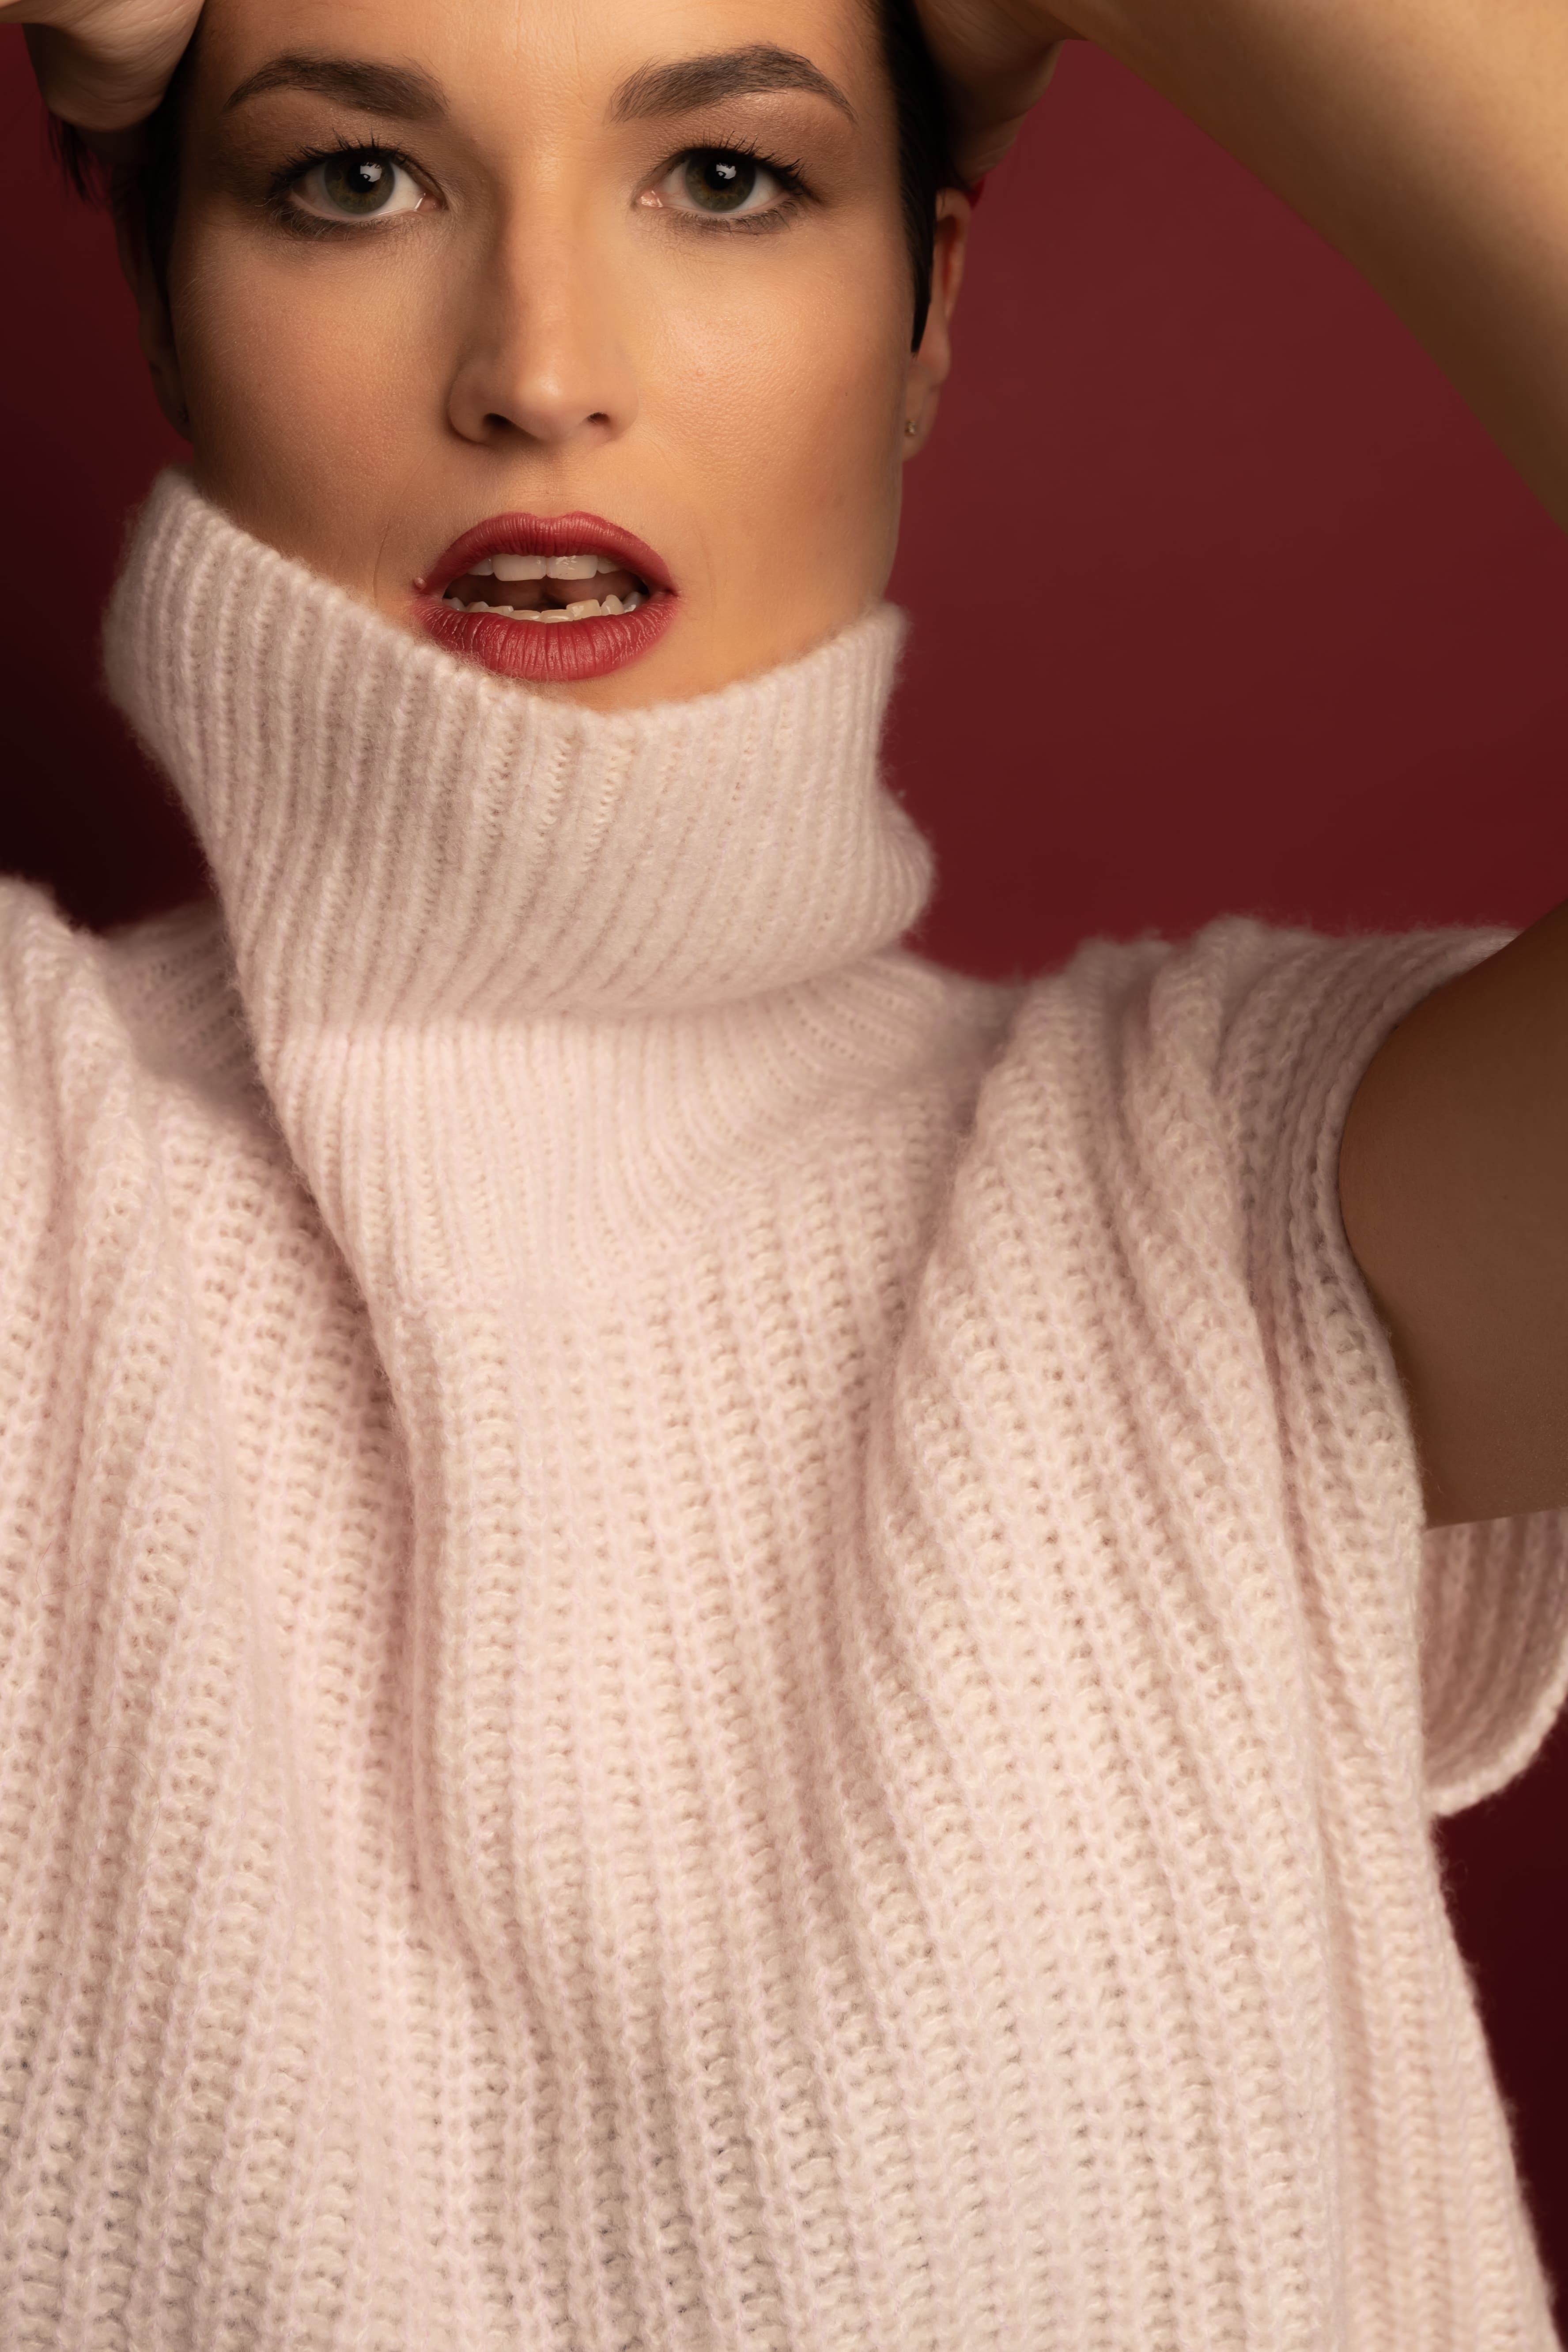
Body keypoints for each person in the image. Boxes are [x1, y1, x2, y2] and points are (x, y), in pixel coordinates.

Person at [0, 0, 1564, 2344]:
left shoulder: (1231, 1202)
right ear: (153, 296)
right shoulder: (40, 1170)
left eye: (724, 178)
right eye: (351, 179)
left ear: (926, 310)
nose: (543, 370)